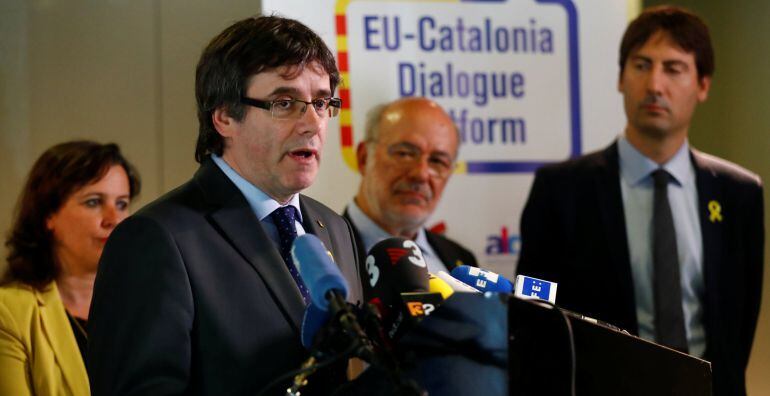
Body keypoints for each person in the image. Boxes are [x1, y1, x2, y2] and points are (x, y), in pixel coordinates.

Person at [87, 15, 363, 396]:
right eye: (285, 102)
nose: (312, 123)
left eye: (321, 101)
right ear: (224, 117)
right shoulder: (155, 240)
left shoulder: (334, 228)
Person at [516, 6, 763, 396]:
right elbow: (534, 315)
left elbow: (738, 325)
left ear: (703, 85)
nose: (654, 85)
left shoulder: (739, 194)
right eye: (641, 65)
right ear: (620, 78)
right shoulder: (561, 189)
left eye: (674, 68)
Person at [0, 140, 140, 396]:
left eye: (122, 204)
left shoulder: (146, 302)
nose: (114, 219)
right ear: (48, 214)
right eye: (94, 202)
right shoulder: (9, 312)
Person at [345, 97, 477, 294]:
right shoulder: (324, 254)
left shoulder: (462, 260)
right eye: (405, 153)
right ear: (364, 158)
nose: (421, 174)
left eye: (437, 161)